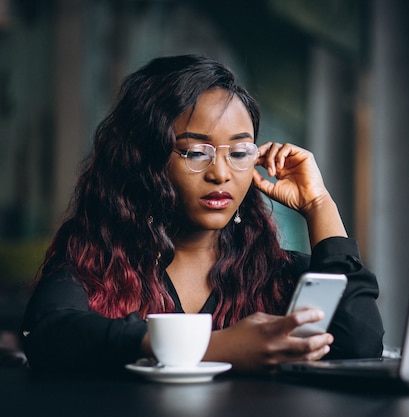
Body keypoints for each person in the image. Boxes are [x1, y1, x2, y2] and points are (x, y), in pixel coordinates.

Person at [21, 54, 384, 373]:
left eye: (240, 152)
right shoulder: (97, 263)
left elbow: (361, 347)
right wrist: (214, 348)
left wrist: (319, 205)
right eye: (196, 152)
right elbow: (49, 336)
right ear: (145, 159)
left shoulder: (276, 275)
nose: (221, 173)